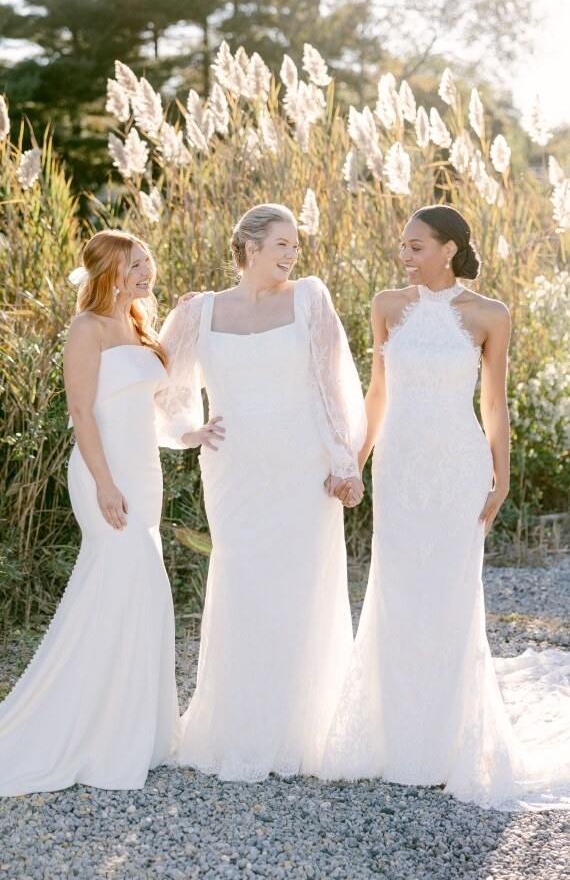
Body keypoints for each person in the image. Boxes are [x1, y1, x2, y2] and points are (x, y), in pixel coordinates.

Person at [322, 205, 570, 810]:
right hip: (401, 467)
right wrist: (355, 459)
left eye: (415, 246)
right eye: (401, 245)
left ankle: (447, 745)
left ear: (449, 249)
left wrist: (501, 475)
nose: (404, 255)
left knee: (452, 596)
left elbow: (494, 400)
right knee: (397, 592)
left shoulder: (490, 314)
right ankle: (394, 742)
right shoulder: (386, 306)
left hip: (459, 467)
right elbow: (378, 392)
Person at [156, 203, 366, 781]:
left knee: (301, 589)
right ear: (249, 245)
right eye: (282, 243)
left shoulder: (310, 298)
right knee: (244, 583)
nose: (292, 254)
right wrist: (186, 430)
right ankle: (240, 727)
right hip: (233, 472)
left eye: (295, 244)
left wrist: (343, 460)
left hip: (301, 469)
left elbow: (331, 387)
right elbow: (157, 380)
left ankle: (301, 733)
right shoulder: (199, 311)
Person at [0, 230, 180, 795]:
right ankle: (83, 732)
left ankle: (127, 727)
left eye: (148, 261)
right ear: (108, 271)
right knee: (124, 582)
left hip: (143, 473)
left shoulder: (139, 326)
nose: (147, 272)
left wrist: (191, 433)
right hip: (104, 474)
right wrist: (105, 483)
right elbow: (82, 411)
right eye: (135, 265)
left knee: (139, 594)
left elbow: (145, 413)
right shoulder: (87, 329)